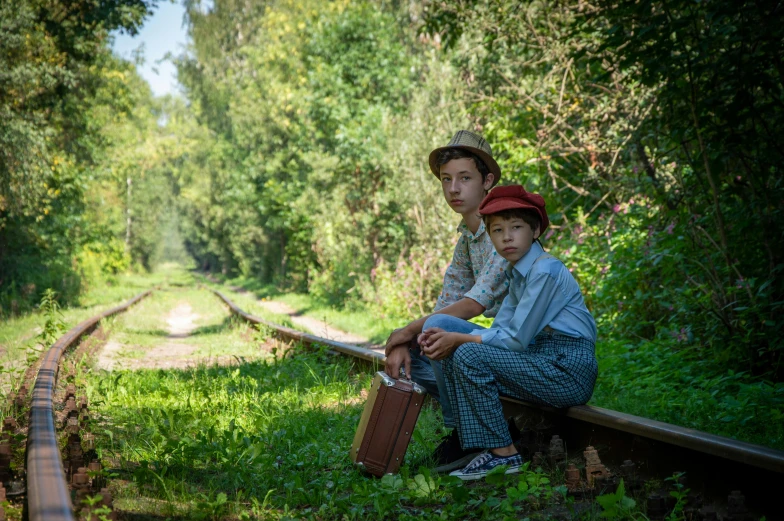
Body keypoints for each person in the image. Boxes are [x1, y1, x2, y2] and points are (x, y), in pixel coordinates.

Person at [418, 185, 598, 480]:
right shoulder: (518, 271)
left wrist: (460, 340)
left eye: (516, 227)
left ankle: (504, 455)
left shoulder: (544, 271)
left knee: (468, 351)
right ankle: (468, 440)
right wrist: (444, 336)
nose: (507, 237)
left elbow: (514, 339)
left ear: (535, 230)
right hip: (540, 359)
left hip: (567, 369)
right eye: (498, 230)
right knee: (443, 327)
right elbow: (502, 328)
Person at [383, 130, 511, 472]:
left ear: (487, 181)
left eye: (465, 178)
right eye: (446, 179)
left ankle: (464, 436)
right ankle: (474, 423)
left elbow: (473, 304)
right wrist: (407, 339)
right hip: (502, 343)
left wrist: (409, 329)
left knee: (433, 329)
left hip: (529, 344)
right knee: (422, 342)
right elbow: (448, 302)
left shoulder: (505, 230)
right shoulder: (468, 240)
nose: (454, 189)